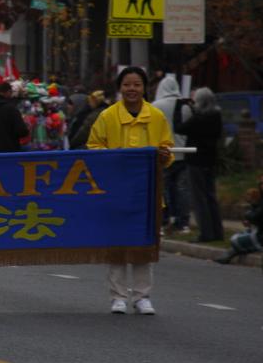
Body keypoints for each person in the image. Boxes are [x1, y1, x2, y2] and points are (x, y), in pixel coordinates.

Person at [87, 66, 173, 315]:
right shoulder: (107, 116)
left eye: (136, 84)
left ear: (144, 87)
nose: (132, 89)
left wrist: (163, 155)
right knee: (116, 245)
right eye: (127, 85)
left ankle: (142, 296)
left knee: (143, 244)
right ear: (120, 88)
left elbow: (167, 150)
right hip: (115, 191)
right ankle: (118, 296)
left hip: (147, 191)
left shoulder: (156, 116)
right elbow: (93, 147)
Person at [173, 87, 224, 243]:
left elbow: (179, 128)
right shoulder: (216, 117)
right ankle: (217, 231)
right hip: (210, 160)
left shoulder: (198, 120)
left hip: (195, 161)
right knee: (210, 196)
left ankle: (206, 233)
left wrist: (179, 107)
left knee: (199, 198)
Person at [152, 76, 193, 234]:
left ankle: (164, 220)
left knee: (163, 189)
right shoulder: (185, 106)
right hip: (183, 152)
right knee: (182, 188)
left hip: (163, 153)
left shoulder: (156, 106)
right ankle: (183, 222)